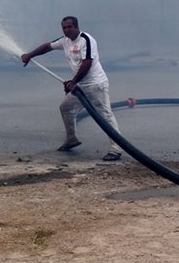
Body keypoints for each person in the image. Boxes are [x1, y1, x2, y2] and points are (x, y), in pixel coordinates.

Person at [20, 16, 123, 161]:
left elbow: (87, 63)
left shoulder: (86, 40)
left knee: (105, 115)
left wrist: (73, 82)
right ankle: (71, 139)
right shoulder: (65, 41)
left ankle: (116, 149)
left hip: (95, 85)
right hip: (79, 85)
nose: (67, 30)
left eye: (69, 27)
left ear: (76, 27)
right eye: (64, 28)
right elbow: (47, 47)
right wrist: (30, 55)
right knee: (66, 108)